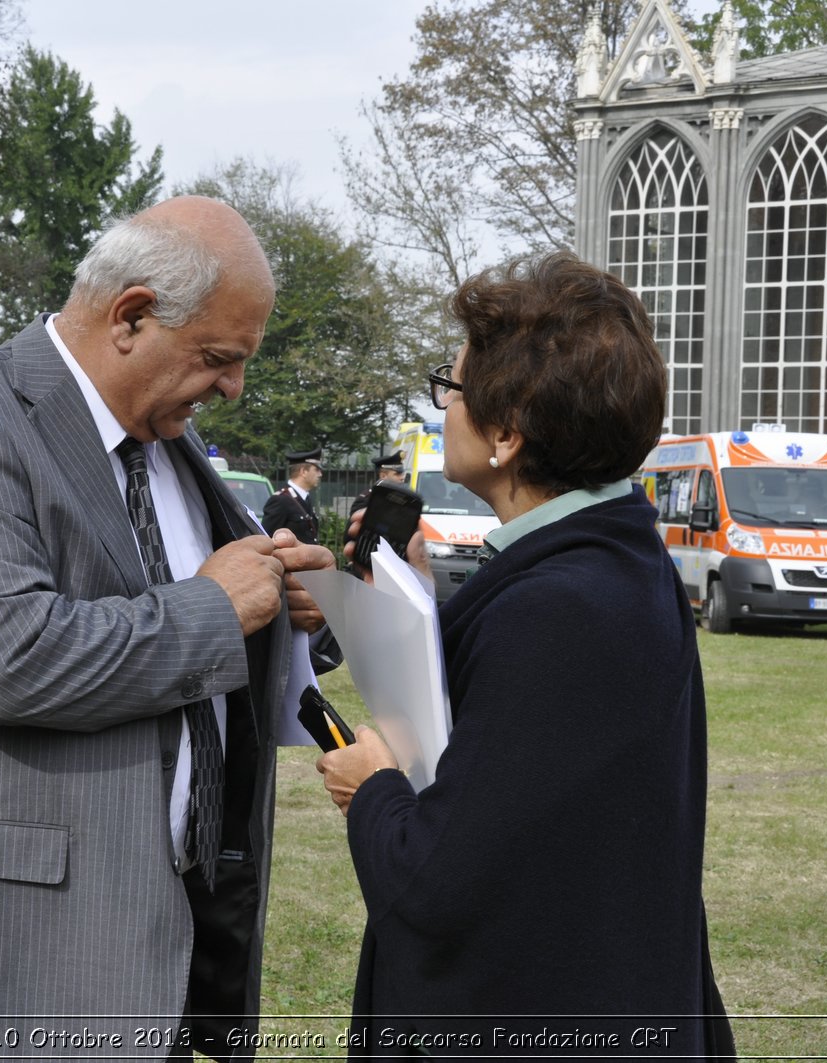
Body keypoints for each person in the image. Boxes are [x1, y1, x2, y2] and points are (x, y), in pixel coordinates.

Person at [0, 196, 335, 1060]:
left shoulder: (170, 445)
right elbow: (10, 659)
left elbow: (196, 623)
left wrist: (281, 611)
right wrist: (216, 605)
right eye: (218, 357)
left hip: (149, 960)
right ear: (131, 315)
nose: (234, 388)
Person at [318, 253, 733, 1057]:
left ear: (507, 434)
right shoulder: (618, 557)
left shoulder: (557, 609)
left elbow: (436, 886)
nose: (444, 405)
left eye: (454, 387)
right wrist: (418, 598)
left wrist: (370, 788)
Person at [343, 452, 406, 577]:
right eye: (397, 473)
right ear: (383, 475)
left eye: (402, 473)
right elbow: (350, 535)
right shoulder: (367, 500)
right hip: (370, 565)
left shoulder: (399, 500)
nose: (402, 477)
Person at [261, 446, 323, 544]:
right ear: (303, 472)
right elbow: (266, 538)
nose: (320, 474)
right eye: (316, 470)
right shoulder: (280, 500)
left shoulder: (306, 499)